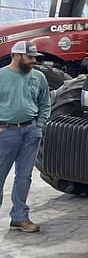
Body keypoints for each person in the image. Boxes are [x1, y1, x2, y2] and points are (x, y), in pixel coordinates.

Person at [0, 40, 51, 233]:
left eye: (35, 58)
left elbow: (45, 103)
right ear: (16, 55)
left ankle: (20, 217)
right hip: (6, 133)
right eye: (29, 57)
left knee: (24, 177)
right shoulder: (1, 76)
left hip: (31, 132)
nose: (33, 61)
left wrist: (39, 126)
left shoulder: (38, 77)